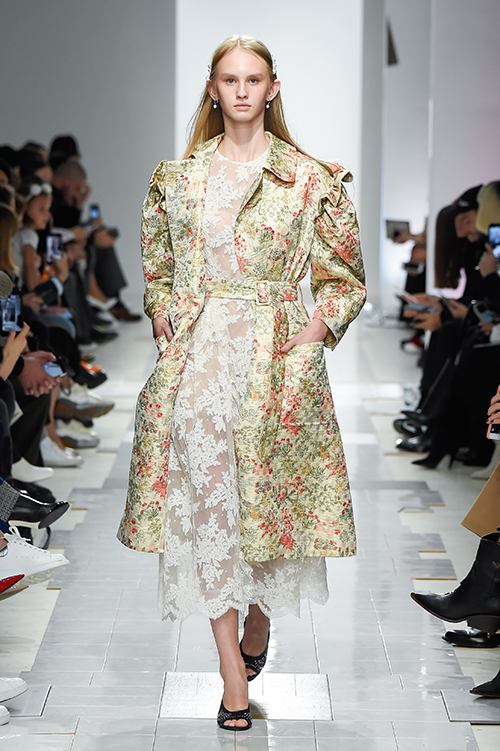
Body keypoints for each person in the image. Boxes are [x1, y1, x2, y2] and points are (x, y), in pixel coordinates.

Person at [117, 35, 366, 731]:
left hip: (273, 358)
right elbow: (160, 267)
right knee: (211, 511)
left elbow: (345, 276)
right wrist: (163, 318)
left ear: (273, 88)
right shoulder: (178, 179)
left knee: (263, 506)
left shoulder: (308, 179)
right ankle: (231, 670)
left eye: (254, 79)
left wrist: (314, 334)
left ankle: (258, 620)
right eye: (230, 79)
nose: (242, 91)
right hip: (200, 358)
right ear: (213, 89)